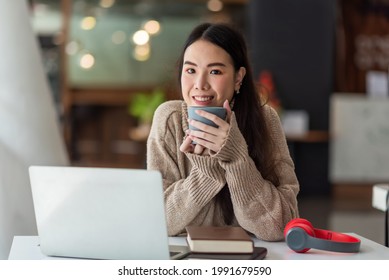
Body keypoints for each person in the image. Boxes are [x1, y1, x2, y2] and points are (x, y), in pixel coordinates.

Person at [147, 22, 299, 241]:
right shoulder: (169, 119)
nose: (200, 84)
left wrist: (236, 158)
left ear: (238, 78)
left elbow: (280, 226)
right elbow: (159, 221)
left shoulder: (265, 121)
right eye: (190, 70)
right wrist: (208, 170)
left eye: (215, 71)